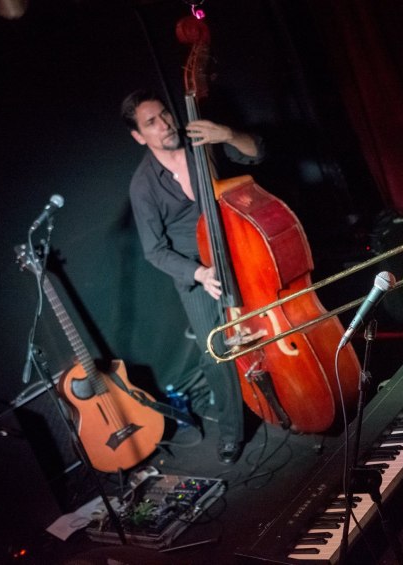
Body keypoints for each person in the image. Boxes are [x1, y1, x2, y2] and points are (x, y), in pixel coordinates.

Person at [121, 89, 264, 465]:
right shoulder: (143, 185)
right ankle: (232, 433)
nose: (165, 124)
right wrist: (199, 273)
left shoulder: (202, 138)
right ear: (139, 136)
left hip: (242, 246)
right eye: (151, 123)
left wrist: (228, 135)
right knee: (215, 349)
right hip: (197, 270)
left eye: (165, 114)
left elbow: (256, 152)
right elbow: (155, 250)